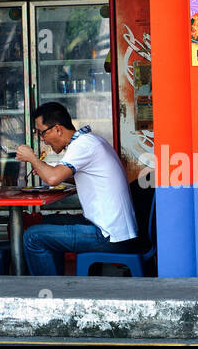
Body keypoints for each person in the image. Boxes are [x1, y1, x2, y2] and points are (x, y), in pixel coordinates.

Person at [14, 101, 139, 276]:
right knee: (47, 224)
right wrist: (45, 168)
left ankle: (51, 298)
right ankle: (57, 285)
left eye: (42, 133)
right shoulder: (91, 141)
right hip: (116, 231)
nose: (42, 139)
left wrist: (33, 159)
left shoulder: (82, 145)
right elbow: (75, 177)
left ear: (57, 129)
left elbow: (52, 177)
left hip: (108, 236)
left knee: (33, 237)